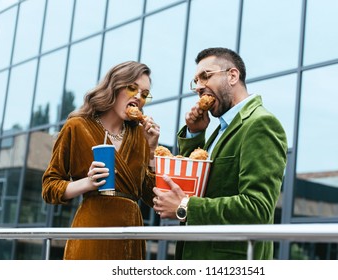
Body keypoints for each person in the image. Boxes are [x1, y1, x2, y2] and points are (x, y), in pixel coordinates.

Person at [153, 47, 288, 260]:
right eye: (196, 81)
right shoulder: (219, 129)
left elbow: (257, 209)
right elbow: (198, 186)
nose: (198, 87)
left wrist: (186, 207)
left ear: (232, 76)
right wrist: (196, 134)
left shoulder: (261, 124)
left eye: (205, 76)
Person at [42, 61, 159, 260]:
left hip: (131, 236)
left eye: (145, 94)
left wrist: (151, 150)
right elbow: (49, 188)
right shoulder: (77, 126)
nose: (138, 97)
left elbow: (152, 197)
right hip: (91, 231)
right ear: (114, 86)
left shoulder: (141, 136)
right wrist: (87, 183)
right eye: (132, 88)